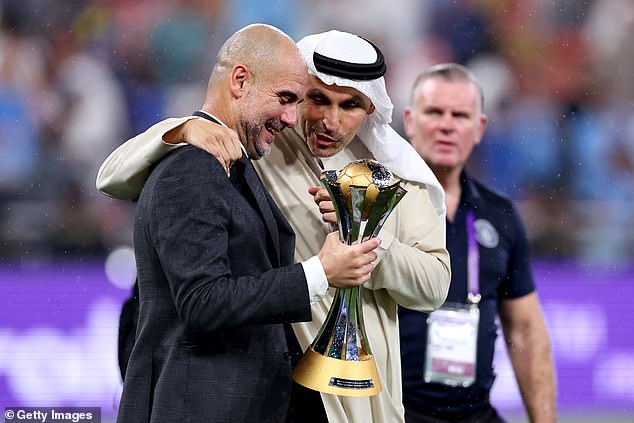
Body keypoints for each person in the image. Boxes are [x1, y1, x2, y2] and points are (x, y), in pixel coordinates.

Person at [97, 30, 451, 423]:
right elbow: (114, 177)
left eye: (350, 105)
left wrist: (370, 242)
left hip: (366, 384)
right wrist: (181, 131)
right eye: (315, 99)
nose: (329, 121)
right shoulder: (266, 142)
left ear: (371, 108)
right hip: (282, 384)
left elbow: (434, 286)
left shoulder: (398, 176)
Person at [398, 63, 556, 423]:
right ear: (409, 120)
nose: (447, 125)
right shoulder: (376, 203)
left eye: (460, 115)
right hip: (396, 413)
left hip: (475, 413)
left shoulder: (500, 216)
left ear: (479, 127)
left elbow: (525, 329)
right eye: (434, 112)